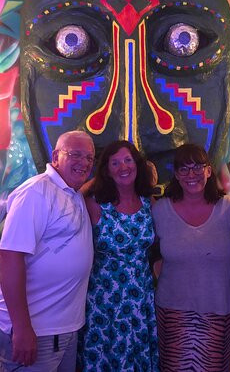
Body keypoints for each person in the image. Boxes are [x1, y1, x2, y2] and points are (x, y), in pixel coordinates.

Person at [0, 130, 95, 372]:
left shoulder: (72, 193)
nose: (84, 163)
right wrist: (22, 328)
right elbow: (9, 257)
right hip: (36, 331)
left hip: (64, 327)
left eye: (89, 158)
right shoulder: (36, 192)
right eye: (75, 155)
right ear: (56, 156)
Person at [152, 143, 230, 372]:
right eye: (184, 168)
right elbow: (144, 251)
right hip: (173, 312)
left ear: (209, 170)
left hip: (217, 312)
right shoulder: (160, 210)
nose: (191, 174)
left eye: (198, 167)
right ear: (176, 175)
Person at [79, 140, 159, 371]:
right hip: (105, 299)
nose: (123, 167)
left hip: (141, 296)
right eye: (114, 163)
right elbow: (70, 197)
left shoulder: (149, 203)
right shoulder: (94, 205)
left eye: (128, 160)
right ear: (106, 170)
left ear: (137, 164)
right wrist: (96, 180)